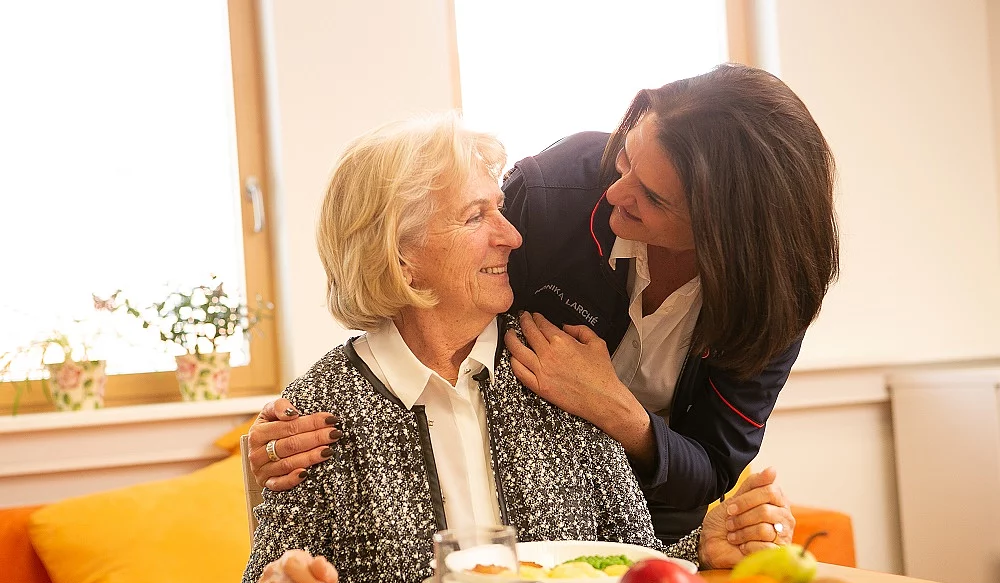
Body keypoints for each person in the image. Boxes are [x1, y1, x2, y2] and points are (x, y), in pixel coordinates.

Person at [222, 113, 794, 583]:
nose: (513, 235)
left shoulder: (559, 371)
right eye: (477, 216)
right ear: (402, 256)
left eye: (500, 208)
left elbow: (628, 566)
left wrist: (703, 547)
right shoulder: (319, 411)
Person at [245, 63, 834, 545]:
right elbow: (429, 297)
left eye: (651, 196)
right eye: (625, 158)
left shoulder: (771, 294)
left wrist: (617, 411)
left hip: (653, 516)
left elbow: (697, 483)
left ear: (724, 229)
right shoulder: (555, 197)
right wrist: (278, 446)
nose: (613, 193)